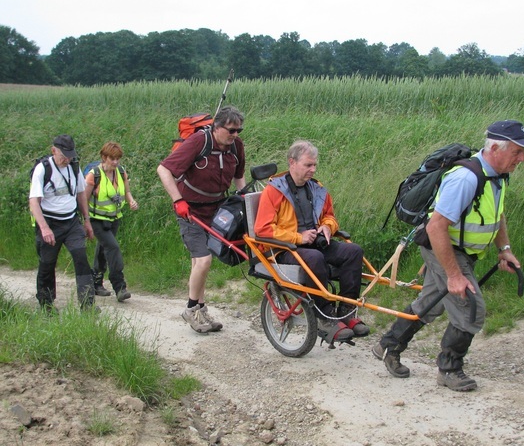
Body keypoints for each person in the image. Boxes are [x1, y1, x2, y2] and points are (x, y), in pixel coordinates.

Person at [373, 120, 524, 391]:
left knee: (431, 303)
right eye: (518, 152)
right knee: (470, 311)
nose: (522, 158)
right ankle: (449, 369)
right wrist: (453, 275)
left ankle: (387, 345)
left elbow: (497, 216)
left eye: (523, 152)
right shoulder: (466, 178)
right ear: (495, 148)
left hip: (460, 251)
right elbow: (436, 226)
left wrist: (504, 250)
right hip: (445, 249)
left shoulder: (497, 175)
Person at [254, 140, 369, 344]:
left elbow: (330, 216)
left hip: (315, 242)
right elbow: (262, 229)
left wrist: (327, 227)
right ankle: (324, 316)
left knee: (354, 251)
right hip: (285, 249)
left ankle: (346, 311)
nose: (313, 169)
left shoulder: (316, 189)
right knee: (315, 258)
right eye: (308, 165)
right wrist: (298, 237)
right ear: (292, 162)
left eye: (315, 165)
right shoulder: (274, 192)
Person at [157, 106, 246, 334]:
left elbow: (239, 176)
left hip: (218, 209)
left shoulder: (236, 146)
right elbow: (164, 169)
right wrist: (178, 200)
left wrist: (244, 200)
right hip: (190, 209)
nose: (236, 135)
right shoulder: (199, 142)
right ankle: (190, 309)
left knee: (201, 264)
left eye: (239, 130)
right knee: (203, 260)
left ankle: (200, 309)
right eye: (232, 130)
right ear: (217, 127)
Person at [29, 134, 97, 312]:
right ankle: (46, 305)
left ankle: (87, 305)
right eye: (63, 155)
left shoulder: (74, 167)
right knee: (47, 263)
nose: (67, 159)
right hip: (50, 223)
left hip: (72, 222)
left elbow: (81, 194)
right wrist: (44, 228)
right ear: (53, 151)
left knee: (81, 258)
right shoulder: (43, 169)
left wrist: (87, 221)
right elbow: (34, 201)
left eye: (70, 155)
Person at [85, 141, 139, 302]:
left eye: (117, 159)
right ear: (104, 157)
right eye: (112, 159)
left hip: (114, 218)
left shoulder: (121, 172)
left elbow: (126, 191)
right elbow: (83, 199)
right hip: (97, 220)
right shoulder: (93, 175)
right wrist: (84, 221)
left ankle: (96, 282)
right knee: (113, 248)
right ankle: (120, 286)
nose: (115, 162)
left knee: (103, 249)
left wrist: (131, 201)